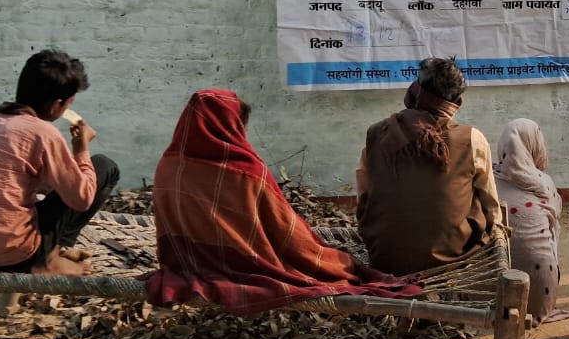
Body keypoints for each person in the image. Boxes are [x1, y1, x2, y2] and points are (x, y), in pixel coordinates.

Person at [148, 89, 419, 313]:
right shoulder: (245, 170)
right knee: (336, 263)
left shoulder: (167, 166)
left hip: (184, 262)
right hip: (245, 263)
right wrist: (321, 254)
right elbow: (284, 228)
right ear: (230, 125)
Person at [0, 49, 119, 276]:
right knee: (104, 166)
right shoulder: (42, 133)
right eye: (68, 104)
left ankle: (53, 251)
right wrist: (81, 148)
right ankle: (48, 260)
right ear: (57, 105)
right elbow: (81, 200)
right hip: (12, 255)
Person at [356, 58, 500, 275]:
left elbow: (364, 195)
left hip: (384, 256)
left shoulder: (376, 133)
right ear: (458, 102)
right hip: (453, 257)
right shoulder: (472, 139)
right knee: (473, 199)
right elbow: (491, 207)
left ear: (415, 90)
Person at [494, 119, 563, 321]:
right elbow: (553, 221)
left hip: (489, 291)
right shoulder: (544, 183)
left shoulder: (487, 179)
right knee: (550, 228)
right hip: (536, 295)